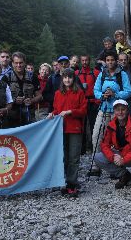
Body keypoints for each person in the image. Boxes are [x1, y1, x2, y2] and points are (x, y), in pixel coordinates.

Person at [93, 99, 131, 194]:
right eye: (117, 110)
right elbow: (104, 145)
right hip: (120, 155)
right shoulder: (111, 125)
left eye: (123, 109)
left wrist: (124, 159)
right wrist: (113, 156)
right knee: (97, 157)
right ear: (114, 111)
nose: (120, 112)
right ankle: (124, 175)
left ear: (127, 110)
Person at [89, 51, 131, 177]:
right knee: (96, 136)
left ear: (116, 61)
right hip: (103, 109)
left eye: (112, 60)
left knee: (116, 139)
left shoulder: (122, 74)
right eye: (107, 60)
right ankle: (96, 166)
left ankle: (116, 166)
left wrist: (116, 95)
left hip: (117, 112)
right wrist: (102, 95)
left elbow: (128, 91)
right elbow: (95, 90)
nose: (110, 62)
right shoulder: (102, 74)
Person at [46, 68, 87, 197]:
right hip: (60, 129)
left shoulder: (79, 93)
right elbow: (57, 109)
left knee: (73, 157)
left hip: (75, 128)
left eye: (69, 77)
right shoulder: (58, 93)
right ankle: (62, 181)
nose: (67, 80)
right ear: (62, 79)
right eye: (65, 77)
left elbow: (83, 110)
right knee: (63, 156)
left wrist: (71, 112)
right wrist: (52, 114)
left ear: (73, 79)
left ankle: (72, 183)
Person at [2, 51, 42, 127]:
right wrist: (14, 100)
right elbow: (1, 98)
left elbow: (40, 96)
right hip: (11, 116)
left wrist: (31, 100)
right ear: (12, 63)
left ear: (25, 63)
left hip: (29, 115)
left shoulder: (32, 76)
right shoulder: (6, 77)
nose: (18, 65)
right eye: (16, 63)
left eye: (21, 63)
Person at [76, 55, 99, 152]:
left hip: (93, 102)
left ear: (89, 61)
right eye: (83, 60)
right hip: (81, 102)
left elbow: (100, 86)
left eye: (86, 60)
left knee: (94, 125)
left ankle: (94, 147)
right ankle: (82, 148)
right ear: (80, 62)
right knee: (81, 126)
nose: (84, 62)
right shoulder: (77, 73)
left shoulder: (95, 73)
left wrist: (98, 101)